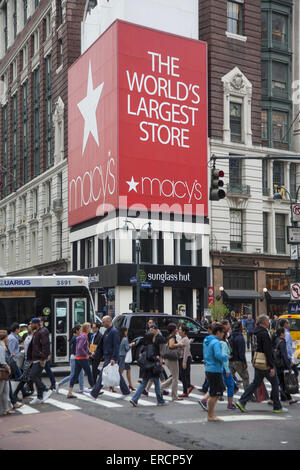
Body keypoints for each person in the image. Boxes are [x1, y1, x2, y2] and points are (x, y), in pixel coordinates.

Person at [236, 315, 288, 414]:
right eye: (268, 321)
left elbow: (255, 348)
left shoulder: (255, 333)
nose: (269, 323)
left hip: (257, 361)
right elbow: (268, 351)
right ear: (264, 322)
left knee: (255, 383)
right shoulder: (264, 333)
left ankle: (242, 401)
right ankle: (277, 406)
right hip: (265, 363)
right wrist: (271, 366)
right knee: (275, 383)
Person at [85, 316, 130, 400]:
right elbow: (101, 345)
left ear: (108, 322)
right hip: (107, 356)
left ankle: (94, 394)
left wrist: (114, 358)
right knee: (117, 374)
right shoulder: (106, 331)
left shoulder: (114, 332)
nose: (102, 324)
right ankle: (126, 391)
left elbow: (116, 346)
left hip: (110, 357)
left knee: (103, 374)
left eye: (103, 322)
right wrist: (95, 352)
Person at [130, 332, 167, 407]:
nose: (154, 339)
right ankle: (160, 401)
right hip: (151, 368)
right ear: (151, 338)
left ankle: (134, 399)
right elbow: (150, 356)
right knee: (156, 383)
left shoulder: (144, 345)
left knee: (144, 383)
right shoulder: (150, 346)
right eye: (153, 337)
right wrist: (156, 358)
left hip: (145, 368)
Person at [200, 322, 228, 422]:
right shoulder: (216, 342)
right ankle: (210, 415)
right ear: (218, 332)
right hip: (215, 369)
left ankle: (211, 414)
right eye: (222, 333)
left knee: (215, 392)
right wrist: (225, 357)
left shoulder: (207, 340)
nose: (223, 335)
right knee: (214, 394)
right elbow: (218, 355)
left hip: (209, 368)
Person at [27, 318, 52, 405]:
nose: (30, 325)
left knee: (32, 375)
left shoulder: (42, 332)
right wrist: (31, 359)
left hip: (39, 358)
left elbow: (46, 346)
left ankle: (45, 389)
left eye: (31, 324)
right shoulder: (37, 332)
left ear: (36, 324)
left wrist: (43, 358)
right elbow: (34, 346)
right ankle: (39, 397)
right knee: (36, 376)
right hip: (36, 358)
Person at [68, 323, 94, 398]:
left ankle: (69, 392)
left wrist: (88, 352)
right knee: (89, 373)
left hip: (78, 358)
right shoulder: (84, 336)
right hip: (83, 358)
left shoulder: (80, 335)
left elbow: (80, 347)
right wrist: (87, 354)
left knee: (75, 375)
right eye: (89, 327)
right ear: (87, 329)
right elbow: (80, 348)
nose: (90, 329)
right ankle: (94, 390)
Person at [56, 325, 85, 394]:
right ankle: (59, 384)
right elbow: (77, 350)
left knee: (81, 373)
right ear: (77, 331)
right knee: (73, 374)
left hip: (76, 357)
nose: (81, 331)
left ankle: (82, 388)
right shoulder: (76, 338)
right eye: (80, 330)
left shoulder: (75, 337)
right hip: (75, 358)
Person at [272, 327, 298, 405]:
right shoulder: (282, 342)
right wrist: (289, 366)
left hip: (276, 364)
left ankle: (286, 398)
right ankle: (277, 398)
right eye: (284, 332)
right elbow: (284, 355)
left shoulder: (275, 340)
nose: (285, 334)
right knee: (281, 382)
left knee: (281, 381)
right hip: (281, 364)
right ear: (282, 333)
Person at [160, 323, 185, 401]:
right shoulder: (172, 337)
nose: (177, 330)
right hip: (172, 359)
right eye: (176, 328)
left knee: (174, 377)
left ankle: (160, 387)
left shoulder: (169, 336)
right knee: (175, 378)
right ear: (173, 330)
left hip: (169, 359)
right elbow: (171, 346)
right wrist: (179, 344)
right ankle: (174, 396)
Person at [228, 321, 250, 392]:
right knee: (245, 377)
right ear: (240, 328)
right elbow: (241, 352)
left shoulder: (230, 336)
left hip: (230, 359)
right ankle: (247, 394)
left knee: (227, 377)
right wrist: (244, 362)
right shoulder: (240, 337)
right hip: (238, 361)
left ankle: (218, 393)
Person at [38, 316, 56, 391]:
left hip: (44, 353)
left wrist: (48, 354)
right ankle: (52, 383)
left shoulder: (44, 330)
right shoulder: (39, 330)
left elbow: (47, 343)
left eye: (39, 321)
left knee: (45, 370)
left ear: (42, 322)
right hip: (41, 353)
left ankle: (52, 384)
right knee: (45, 370)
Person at [178, 324, 194, 397]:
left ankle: (185, 391)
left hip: (185, 358)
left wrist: (184, 362)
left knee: (183, 375)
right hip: (181, 358)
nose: (179, 331)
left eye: (180, 329)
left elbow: (186, 352)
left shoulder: (185, 340)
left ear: (184, 332)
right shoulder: (182, 338)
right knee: (181, 375)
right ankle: (188, 386)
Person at [0, 330, 14, 415]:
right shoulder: (1, 347)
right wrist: (8, 367)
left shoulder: (3, 346)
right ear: (4, 338)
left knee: (5, 390)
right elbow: (1, 361)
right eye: (7, 337)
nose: (8, 338)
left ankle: (6, 409)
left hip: (3, 372)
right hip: (2, 371)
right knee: (1, 391)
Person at [118, 327, 136, 391]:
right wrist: (131, 344)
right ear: (124, 331)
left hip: (120, 356)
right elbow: (127, 348)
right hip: (124, 357)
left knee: (128, 370)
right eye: (126, 331)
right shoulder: (125, 339)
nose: (127, 332)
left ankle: (130, 385)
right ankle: (114, 385)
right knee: (120, 372)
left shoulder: (119, 338)